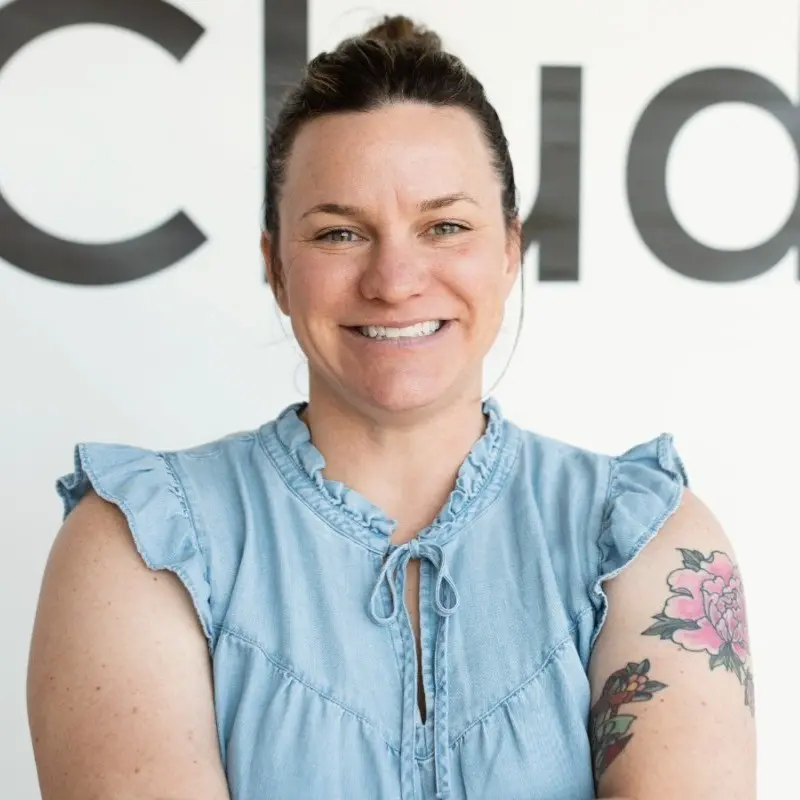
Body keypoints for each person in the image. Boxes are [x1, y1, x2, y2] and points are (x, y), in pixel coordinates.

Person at [27, 15, 756, 800]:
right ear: (275, 266)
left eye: (444, 226)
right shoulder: (138, 545)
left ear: (509, 250)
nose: (395, 278)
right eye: (340, 233)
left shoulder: (646, 539)